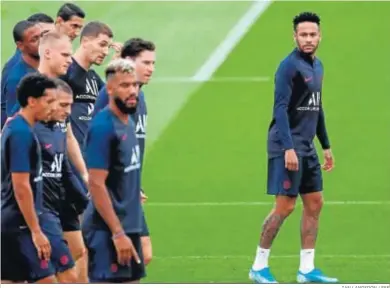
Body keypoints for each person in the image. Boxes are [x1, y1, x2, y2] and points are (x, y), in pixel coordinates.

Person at [249, 12, 338, 284]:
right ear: (295, 37)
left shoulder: (318, 66)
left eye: (313, 34)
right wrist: (288, 148)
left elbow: (316, 107)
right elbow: (280, 108)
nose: (309, 39)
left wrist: (326, 145)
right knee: (285, 207)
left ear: (320, 36)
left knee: (314, 202)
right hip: (285, 145)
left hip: (307, 147)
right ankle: (258, 266)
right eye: (303, 35)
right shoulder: (288, 67)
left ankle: (307, 269)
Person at [1, 73, 74, 283]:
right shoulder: (21, 134)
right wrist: (36, 230)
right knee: (47, 281)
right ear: (32, 101)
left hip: (14, 222)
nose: (53, 107)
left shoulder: (17, 126)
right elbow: (21, 186)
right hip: (19, 225)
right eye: (49, 101)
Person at [94, 38, 156, 266]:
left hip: (128, 189)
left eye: (153, 63)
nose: (151, 68)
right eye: (146, 62)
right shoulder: (111, 98)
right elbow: (98, 140)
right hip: (112, 191)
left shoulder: (139, 97)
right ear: (128, 62)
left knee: (141, 255)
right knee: (125, 258)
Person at [82, 59, 145, 283]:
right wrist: (117, 233)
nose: (132, 91)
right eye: (125, 85)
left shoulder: (127, 120)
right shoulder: (103, 127)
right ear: (109, 88)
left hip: (129, 223)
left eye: (135, 85)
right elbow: (96, 183)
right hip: (107, 230)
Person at [2, 21, 41, 120]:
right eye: (34, 40)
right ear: (20, 46)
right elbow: (13, 119)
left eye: (41, 36)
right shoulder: (17, 78)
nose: (41, 42)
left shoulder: (46, 68)